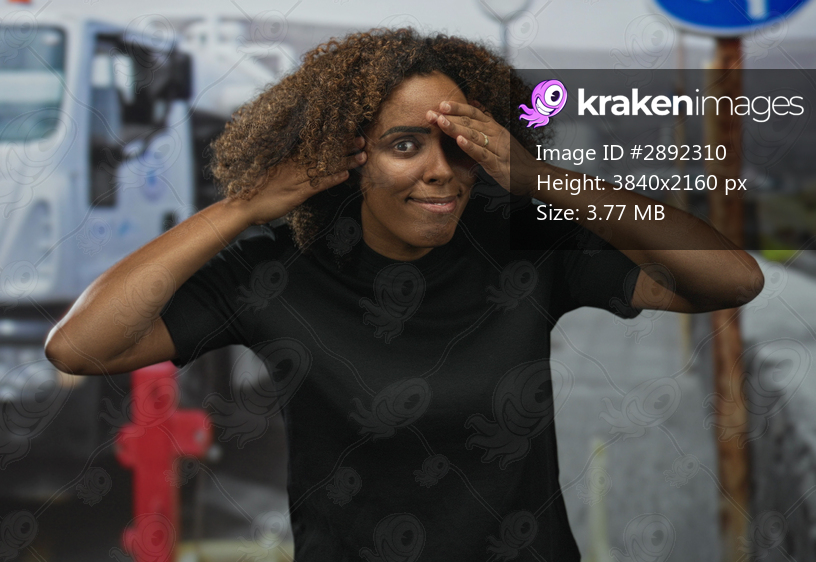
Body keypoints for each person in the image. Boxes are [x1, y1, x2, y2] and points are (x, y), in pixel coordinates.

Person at [46, 27, 764, 561]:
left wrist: (540, 178)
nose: (441, 171)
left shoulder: (520, 243)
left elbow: (733, 279)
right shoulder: (278, 271)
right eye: (404, 145)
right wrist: (240, 209)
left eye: (459, 145)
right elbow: (80, 347)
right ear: (347, 158)